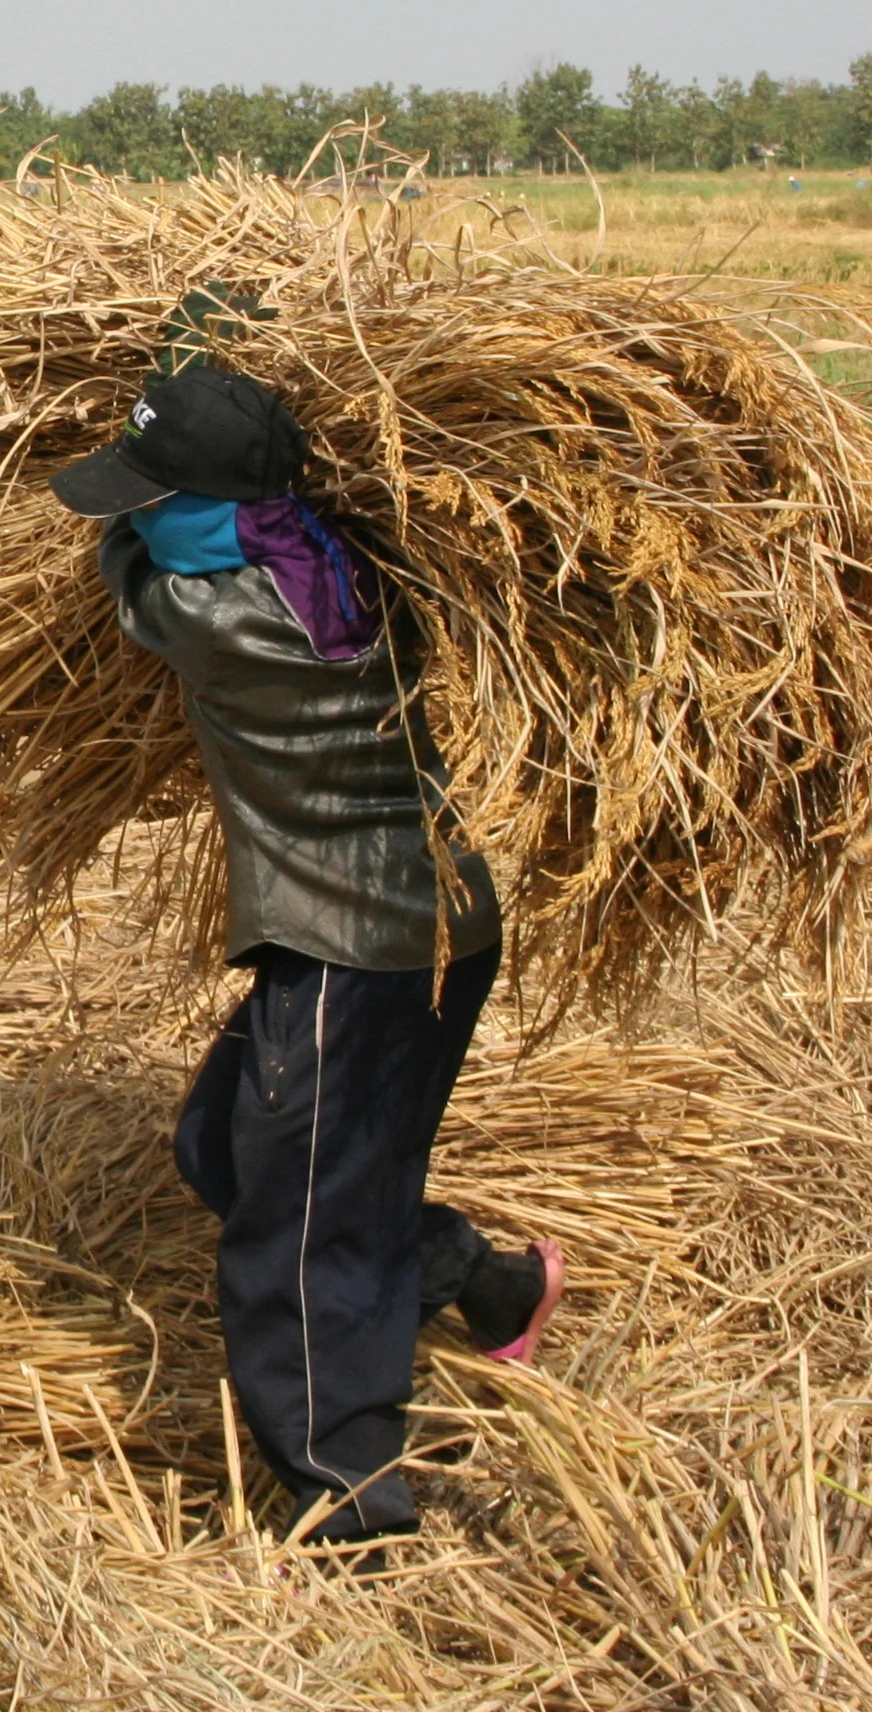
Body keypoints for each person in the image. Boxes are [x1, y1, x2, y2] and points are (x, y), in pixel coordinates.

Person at [47, 354, 566, 1550]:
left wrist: (129, 521)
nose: (141, 511)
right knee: (224, 1147)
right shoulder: (355, 562)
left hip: (359, 952)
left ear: (216, 511)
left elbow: (123, 564)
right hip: (421, 930)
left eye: (160, 493)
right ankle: (483, 1287)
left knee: (293, 1236)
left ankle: (350, 1499)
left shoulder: (220, 611)